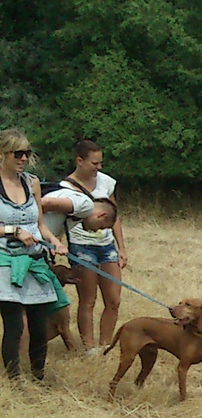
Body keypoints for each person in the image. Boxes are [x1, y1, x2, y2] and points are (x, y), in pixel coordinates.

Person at [0, 130, 72, 380]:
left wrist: (53, 242)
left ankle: (38, 377)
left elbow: (40, 223)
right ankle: (14, 379)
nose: (23, 159)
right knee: (15, 325)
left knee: (40, 325)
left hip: (35, 259)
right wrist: (13, 231)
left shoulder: (32, 183)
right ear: (2, 154)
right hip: (5, 261)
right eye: (17, 153)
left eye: (27, 154)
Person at [53, 140, 127, 354]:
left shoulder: (106, 183)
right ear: (79, 161)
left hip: (106, 245)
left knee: (114, 299)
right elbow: (57, 219)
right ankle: (89, 347)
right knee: (88, 300)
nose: (99, 167)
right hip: (81, 247)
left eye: (101, 162)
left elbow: (114, 216)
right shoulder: (64, 188)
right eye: (95, 163)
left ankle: (105, 346)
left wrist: (121, 248)